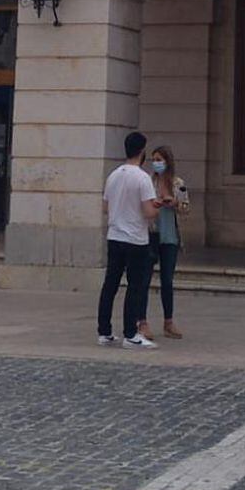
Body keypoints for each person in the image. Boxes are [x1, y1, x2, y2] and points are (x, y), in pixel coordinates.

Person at [97, 131, 158, 349]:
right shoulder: (142, 178)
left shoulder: (113, 175)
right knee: (135, 286)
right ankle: (131, 333)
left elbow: (105, 207)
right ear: (142, 151)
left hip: (114, 236)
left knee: (110, 284)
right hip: (135, 238)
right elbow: (148, 212)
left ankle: (104, 331)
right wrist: (158, 206)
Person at [136, 144, 190, 341]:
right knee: (144, 279)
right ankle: (142, 321)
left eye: (160, 159)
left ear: (168, 161)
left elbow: (185, 207)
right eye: (154, 159)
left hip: (169, 236)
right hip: (151, 234)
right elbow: (140, 204)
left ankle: (169, 322)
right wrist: (155, 203)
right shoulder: (148, 181)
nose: (156, 163)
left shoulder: (177, 183)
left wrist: (173, 202)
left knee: (167, 280)